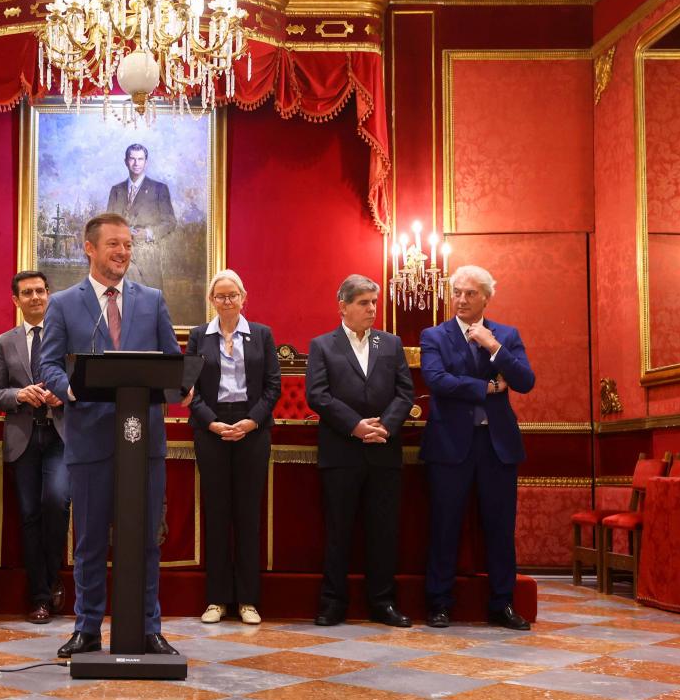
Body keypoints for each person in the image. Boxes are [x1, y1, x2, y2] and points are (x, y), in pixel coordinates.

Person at [41, 212, 186, 658]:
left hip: (144, 443)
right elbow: (48, 364)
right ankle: (87, 628)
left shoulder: (152, 299)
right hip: (89, 440)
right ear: (90, 248)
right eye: (114, 245)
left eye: (128, 244)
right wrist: (69, 389)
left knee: (145, 539)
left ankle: (148, 627)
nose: (123, 252)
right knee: (87, 542)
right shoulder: (64, 303)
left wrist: (180, 380)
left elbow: (173, 363)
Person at [421, 264, 535, 631]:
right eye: (456, 292)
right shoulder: (434, 336)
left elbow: (525, 381)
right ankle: (439, 602)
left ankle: (502, 604)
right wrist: (485, 388)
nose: (461, 299)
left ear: (486, 297)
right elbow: (437, 380)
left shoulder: (506, 335)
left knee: (500, 529)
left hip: (496, 445)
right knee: (444, 526)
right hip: (450, 445)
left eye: (470, 293)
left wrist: (493, 346)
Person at [306, 275, 414, 628]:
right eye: (364, 303)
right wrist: (355, 425)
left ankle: (382, 602)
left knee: (383, 531)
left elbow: (404, 392)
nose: (372, 309)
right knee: (338, 532)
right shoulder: (323, 345)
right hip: (341, 453)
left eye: (374, 303)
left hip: (383, 450)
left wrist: (385, 425)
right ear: (343, 306)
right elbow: (318, 395)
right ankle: (333, 603)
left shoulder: (391, 343)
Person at [186, 270, 280, 625]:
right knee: (217, 513)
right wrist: (211, 422)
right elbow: (189, 389)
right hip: (210, 429)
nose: (227, 302)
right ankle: (216, 600)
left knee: (247, 515)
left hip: (252, 429)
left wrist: (251, 421)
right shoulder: (198, 337)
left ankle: (248, 601)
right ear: (211, 300)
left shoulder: (262, 335)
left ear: (244, 297)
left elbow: (272, 386)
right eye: (220, 296)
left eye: (232, 295)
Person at [0, 271, 69, 623]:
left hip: (60, 435)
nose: (35, 297)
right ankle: (40, 597)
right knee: (30, 516)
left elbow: (83, 385)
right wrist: (19, 394)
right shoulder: (4, 342)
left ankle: (53, 584)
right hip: (23, 437)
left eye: (40, 291)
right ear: (15, 300)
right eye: (27, 293)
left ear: (49, 294)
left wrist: (61, 393)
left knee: (56, 502)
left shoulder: (67, 338)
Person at [106, 143, 176, 289]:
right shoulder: (116, 190)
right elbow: (108, 224)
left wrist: (148, 233)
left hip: (147, 259)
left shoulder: (159, 189)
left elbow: (170, 222)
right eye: (132, 159)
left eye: (140, 159)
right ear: (126, 161)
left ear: (146, 162)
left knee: (149, 304)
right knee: (121, 304)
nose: (136, 163)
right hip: (120, 258)